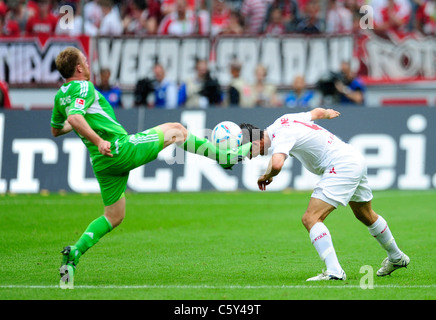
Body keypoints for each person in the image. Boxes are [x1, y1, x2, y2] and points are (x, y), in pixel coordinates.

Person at [51, 47, 251, 289]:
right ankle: (223, 157)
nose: (88, 65)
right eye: (85, 61)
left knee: (114, 216)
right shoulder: (84, 87)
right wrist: (99, 139)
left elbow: (57, 128)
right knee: (176, 129)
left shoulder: (60, 96)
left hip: (101, 164)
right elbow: (74, 118)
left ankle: (74, 253)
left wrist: (85, 127)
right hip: (117, 149)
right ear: (79, 68)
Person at [238, 108, 410, 281]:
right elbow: (317, 113)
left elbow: (276, 165)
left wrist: (268, 175)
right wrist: (327, 113)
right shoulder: (283, 121)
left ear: (253, 141)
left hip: (340, 165)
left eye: (246, 151)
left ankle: (335, 271)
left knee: (311, 218)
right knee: (365, 214)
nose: (248, 157)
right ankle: (396, 257)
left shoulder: (280, 136)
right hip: (353, 158)